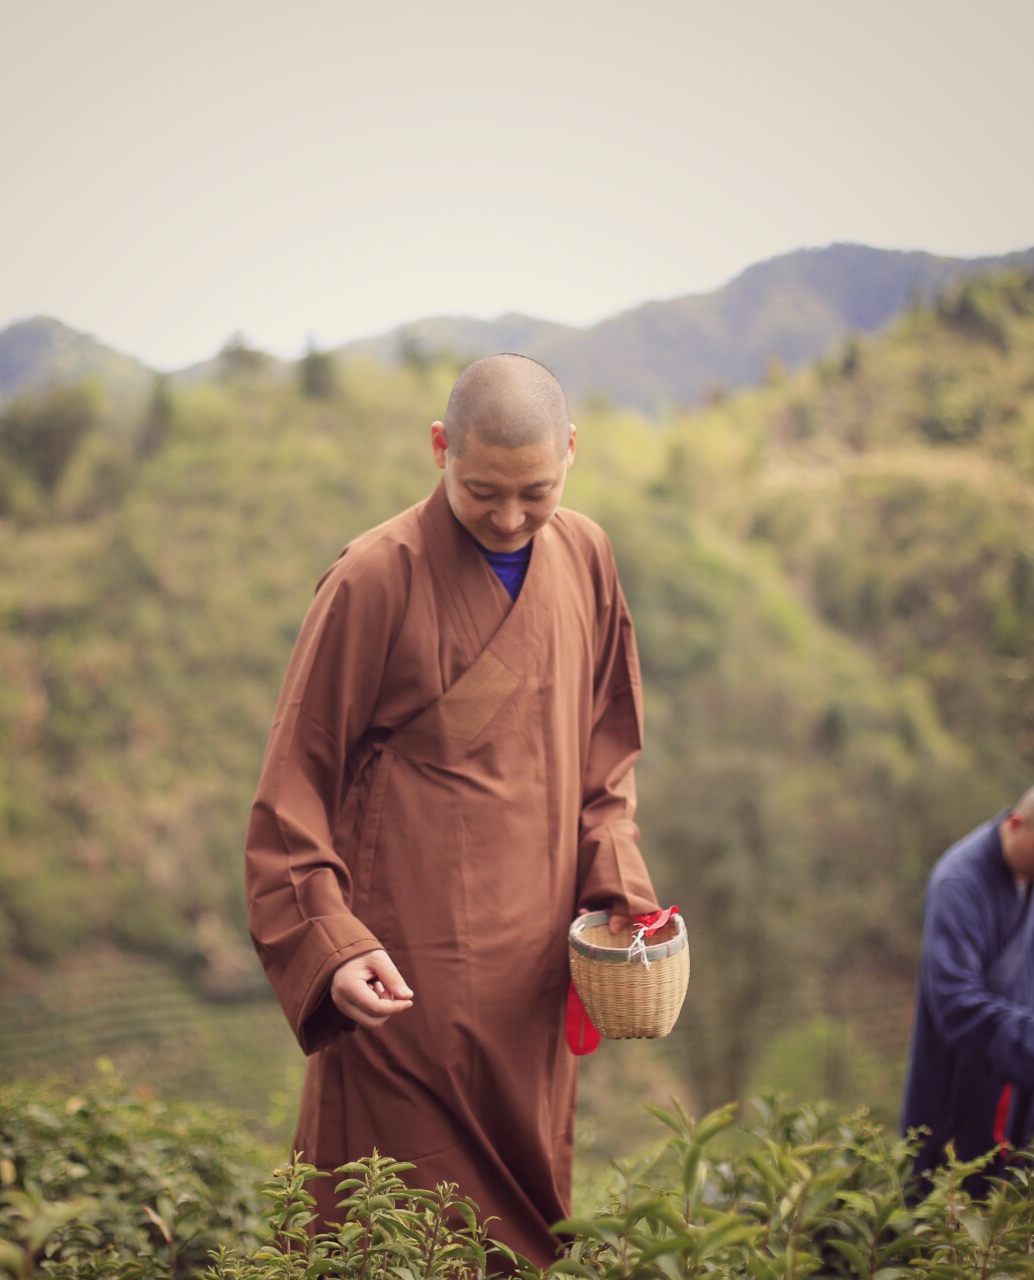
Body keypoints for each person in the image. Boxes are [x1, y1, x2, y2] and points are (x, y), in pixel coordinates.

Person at [243, 354, 659, 1266]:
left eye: (535, 493)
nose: (510, 518)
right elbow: (293, 787)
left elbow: (606, 746)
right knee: (393, 1228)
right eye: (482, 492)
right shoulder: (373, 579)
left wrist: (616, 884)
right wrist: (332, 948)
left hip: (530, 985)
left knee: (521, 1230)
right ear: (439, 448)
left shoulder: (585, 554)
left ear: (572, 456)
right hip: (403, 982)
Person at [899, 782, 1034, 1187]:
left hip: (1021, 1080)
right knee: (948, 1215)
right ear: (1016, 824)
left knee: (1015, 1215)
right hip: (964, 1079)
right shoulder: (958, 882)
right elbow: (953, 998)